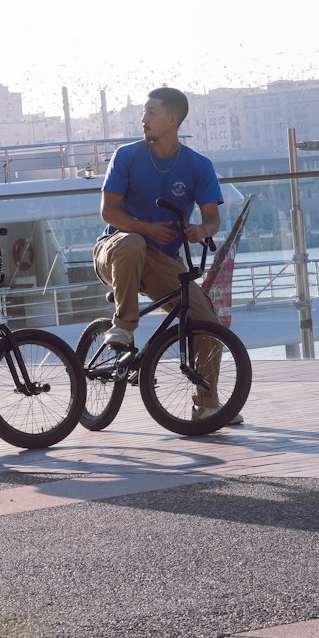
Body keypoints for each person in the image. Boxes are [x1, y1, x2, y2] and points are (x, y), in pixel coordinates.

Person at [93, 86, 240, 423]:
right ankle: (124, 326)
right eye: (144, 112)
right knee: (132, 243)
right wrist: (145, 228)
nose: (143, 119)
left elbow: (212, 218)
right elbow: (109, 213)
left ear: (172, 119)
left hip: (161, 260)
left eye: (151, 112)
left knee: (208, 323)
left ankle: (206, 404)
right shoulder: (126, 155)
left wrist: (201, 231)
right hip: (115, 248)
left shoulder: (198, 165)